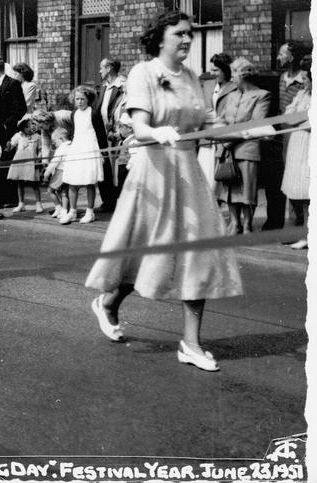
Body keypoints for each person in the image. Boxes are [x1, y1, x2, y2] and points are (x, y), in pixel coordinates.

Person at [85, 10, 243, 372]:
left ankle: (190, 343)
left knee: (196, 255)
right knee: (142, 254)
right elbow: (139, 125)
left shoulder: (189, 75)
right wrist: (158, 132)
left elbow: (209, 122)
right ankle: (108, 303)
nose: (187, 39)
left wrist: (249, 131)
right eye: (180, 34)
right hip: (153, 173)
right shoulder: (144, 73)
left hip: (188, 173)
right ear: (160, 38)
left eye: (190, 33)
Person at [214, 58, 272, 235]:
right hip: (226, 148)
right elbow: (222, 120)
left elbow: (256, 124)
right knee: (229, 188)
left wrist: (229, 138)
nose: (231, 79)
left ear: (243, 75)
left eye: (234, 74)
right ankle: (234, 223)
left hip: (247, 148)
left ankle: (247, 224)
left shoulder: (262, 95)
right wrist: (223, 138)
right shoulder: (231, 96)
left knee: (247, 188)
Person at [263, 41, 309, 230]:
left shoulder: (306, 78)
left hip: (300, 133)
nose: (278, 57)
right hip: (284, 133)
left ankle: (300, 222)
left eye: (282, 53)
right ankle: (292, 223)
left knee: (300, 175)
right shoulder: (282, 78)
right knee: (288, 175)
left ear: (292, 57)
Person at [59, 85, 106, 225]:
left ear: (88, 99)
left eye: (82, 99)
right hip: (77, 148)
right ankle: (72, 212)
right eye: (76, 99)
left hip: (90, 147)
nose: (79, 102)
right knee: (72, 182)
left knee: (89, 182)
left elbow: (101, 135)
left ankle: (90, 212)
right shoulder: (74, 114)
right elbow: (75, 132)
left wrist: (102, 153)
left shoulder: (94, 113)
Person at [0, 55, 27, 210]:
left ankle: (10, 198)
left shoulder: (13, 84)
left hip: (7, 132)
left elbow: (21, 108)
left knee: (7, 163)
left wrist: (7, 123)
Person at [280, 70, 311, 249]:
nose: (302, 82)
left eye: (306, 78)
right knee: (296, 189)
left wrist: (300, 121)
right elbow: (288, 116)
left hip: (309, 145)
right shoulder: (301, 94)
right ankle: (301, 232)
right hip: (297, 143)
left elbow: (310, 125)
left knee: (308, 192)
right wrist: (300, 120)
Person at [198, 53, 236, 190]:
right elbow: (202, 107)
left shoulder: (235, 88)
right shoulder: (207, 85)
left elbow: (232, 112)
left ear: (225, 70)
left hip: (224, 138)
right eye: (211, 70)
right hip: (207, 138)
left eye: (216, 70)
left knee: (220, 180)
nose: (212, 73)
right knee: (204, 178)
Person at [93, 58, 126, 211]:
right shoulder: (103, 87)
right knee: (105, 166)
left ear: (110, 68)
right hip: (104, 135)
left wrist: (118, 130)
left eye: (102, 68)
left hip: (119, 134)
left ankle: (121, 201)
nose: (100, 71)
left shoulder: (123, 85)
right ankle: (108, 202)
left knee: (118, 168)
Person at [6, 114, 43, 213]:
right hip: (20, 162)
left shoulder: (37, 137)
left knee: (35, 183)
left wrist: (39, 159)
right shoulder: (18, 136)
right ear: (22, 128)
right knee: (20, 183)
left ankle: (38, 204)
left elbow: (40, 149)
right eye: (26, 127)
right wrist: (8, 146)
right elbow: (11, 146)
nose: (29, 128)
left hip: (32, 162)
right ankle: (21, 203)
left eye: (30, 126)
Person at [42, 128, 72, 219]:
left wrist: (47, 172)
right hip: (69, 171)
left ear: (61, 138)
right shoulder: (72, 145)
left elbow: (55, 161)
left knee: (50, 190)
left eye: (54, 141)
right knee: (64, 192)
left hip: (60, 172)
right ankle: (64, 210)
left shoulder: (61, 148)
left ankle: (58, 207)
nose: (54, 144)